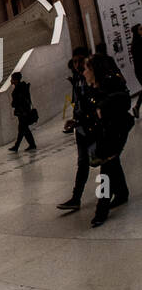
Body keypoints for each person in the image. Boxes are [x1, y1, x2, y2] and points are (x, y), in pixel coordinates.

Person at [83, 54, 133, 228]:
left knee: (106, 169)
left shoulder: (111, 82)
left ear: (95, 69)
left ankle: (101, 210)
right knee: (112, 162)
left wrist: (102, 107)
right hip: (107, 132)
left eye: (86, 69)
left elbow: (124, 101)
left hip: (117, 130)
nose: (84, 73)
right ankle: (122, 193)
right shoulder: (93, 87)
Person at [57, 47, 92, 211]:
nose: (77, 65)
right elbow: (78, 103)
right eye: (75, 61)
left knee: (108, 163)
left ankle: (118, 192)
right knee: (83, 163)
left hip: (93, 127)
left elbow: (93, 103)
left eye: (80, 61)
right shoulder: (77, 79)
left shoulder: (91, 76)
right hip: (81, 128)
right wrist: (75, 120)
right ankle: (76, 197)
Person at [8, 71, 37, 151]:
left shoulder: (18, 89)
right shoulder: (22, 87)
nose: (11, 81)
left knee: (23, 129)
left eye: (12, 79)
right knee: (22, 129)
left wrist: (14, 103)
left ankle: (31, 145)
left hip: (22, 113)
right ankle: (17, 146)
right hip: (24, 111)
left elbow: (18, 102)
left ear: (16, 80)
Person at [130, 23, 142, 119]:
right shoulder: (137, 44)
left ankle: (137, 107)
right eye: (140, 29)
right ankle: (137, 107)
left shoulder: (137, 42)